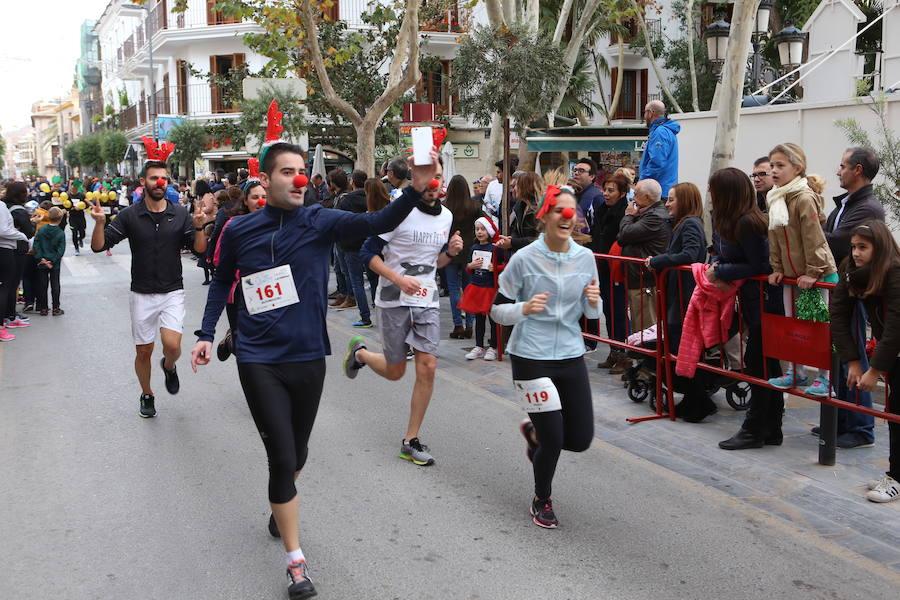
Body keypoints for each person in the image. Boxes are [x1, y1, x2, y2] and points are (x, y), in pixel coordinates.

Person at [191, 143, 439, 600]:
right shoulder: (240, 228)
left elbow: (375, 223)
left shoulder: (319, 219)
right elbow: (223, 279)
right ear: (265, 180)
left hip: (307, 356)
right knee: (282, 457)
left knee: (298, 453)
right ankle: (296, 562)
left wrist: (414, 189)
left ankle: (280, 499)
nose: (299, 179)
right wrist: (206, 333)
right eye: (288, 172)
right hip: (258, 356)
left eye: (303, 171)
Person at [490, 185, 600, 528]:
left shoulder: (586, 258)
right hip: (530, 356)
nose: (566, 216)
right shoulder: (524, 259)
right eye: (558, 210)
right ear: (545, 216)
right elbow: (496, 310)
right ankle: (542, 498)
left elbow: (594, 317)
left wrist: (594, 302)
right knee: (554, 438)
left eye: (571, 210)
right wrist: (523, 308)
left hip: (569, 352)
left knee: (579, 439)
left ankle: (534, 434)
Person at [343, 158, 463, 467]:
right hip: (394, 296)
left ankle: (410, 440)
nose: (435, 182)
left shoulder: (446, 216)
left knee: (428, 367)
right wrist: (398, 279)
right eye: (430, 177)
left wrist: (450, 253)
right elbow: (367, 253)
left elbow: (433, 263)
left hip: (427, 298)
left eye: (440, 177)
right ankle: (361, 355)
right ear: (418, 180)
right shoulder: (398, 211)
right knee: (396, 371)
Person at [91, 158, 208, 418]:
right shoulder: (130, 215)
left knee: (172, 346)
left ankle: (169, 366)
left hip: (172, 292)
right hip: (141, 293)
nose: (160, 182)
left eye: (163, 178)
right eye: (154, 178)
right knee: (143, 351)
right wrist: (99, 223)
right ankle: (147, 393)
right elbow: (99, 246)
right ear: (143, 182)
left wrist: (199, 225)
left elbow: (199, 249)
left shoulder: (179, 213)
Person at [711, 168, 786, 450]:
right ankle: (769, 428)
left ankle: (755, 428)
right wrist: (719, 264)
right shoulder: (735, 220)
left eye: (714, 189)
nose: (710, 194)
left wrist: (722, 270)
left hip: (765, 304)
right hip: (756, 303)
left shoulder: (747, 222)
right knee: (766, 366)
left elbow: (760, 266)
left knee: (760, 367)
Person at [816, 147, 885, 448]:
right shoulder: (846, 205)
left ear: (857, 170)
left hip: (856, 293)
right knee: (841, 356)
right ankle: (842, 419)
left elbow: (835, 243)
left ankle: (860, 427)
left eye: (842, 165)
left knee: (853, 356)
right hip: (844, 290)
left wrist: (810, 228)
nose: (837, 171)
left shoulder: (867, 207)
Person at [830, 221, 900, 503]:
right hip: (893, 353)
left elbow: (896, 324)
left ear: (878, 247)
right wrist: (853, 363)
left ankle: (896, 478)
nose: (856, 252)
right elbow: (838, 316)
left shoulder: (894, 272)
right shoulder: (852, 271)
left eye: (863, 247)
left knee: (897, 414)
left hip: (894, 349)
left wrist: (875, 369)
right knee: (895, 414)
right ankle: (896, 473)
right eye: (854, 246)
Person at [765, 143, 837, 397]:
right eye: (772, 165)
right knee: (792, 326)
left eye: (780, 165)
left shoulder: (803, 198)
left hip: (815, 276)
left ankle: (825, 378)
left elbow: (813, 237)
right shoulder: (775, 195)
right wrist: (777, 268)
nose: (774, 170)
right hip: (792, 277)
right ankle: (796, 372)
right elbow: (774, 235)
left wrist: (814, 271)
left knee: (819, 327)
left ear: (797, 169)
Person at [646, 182, 709, 420]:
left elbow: (691, 255)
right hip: (678, 295)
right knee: (679, 347)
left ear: (684, 201)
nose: (667, 203)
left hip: (683, 297)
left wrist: (659, 260)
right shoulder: (683, 223)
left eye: (671, 199)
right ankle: (695, 399)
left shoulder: (690, 223)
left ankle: (698, 401)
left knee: (683, 348)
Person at [617, 178, 672, 335]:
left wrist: (628, 216)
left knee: (646, 330)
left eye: (636, 194)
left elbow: (624, 236)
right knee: (640, 325)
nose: (633, 198)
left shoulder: (655, 216)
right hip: (640, 278)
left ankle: (647, 359)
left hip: (645, 281)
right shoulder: (649, 213)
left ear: (647, 197)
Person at [592, 174, 630, 373]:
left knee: (619, 313)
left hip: (617, 269)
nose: (606, 194)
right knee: (609, 311)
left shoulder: (625, 212)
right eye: (605, 190)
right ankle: (614, 351)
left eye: (611, 190)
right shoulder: (601, 209)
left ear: (622, 193)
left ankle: (625, 354)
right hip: (603, 267)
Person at [461, 216, 505, 360]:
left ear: (490, 231)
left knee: (493, 319)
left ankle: (493, 346)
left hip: (490, 288)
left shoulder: (495, 248)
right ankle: (479, 345)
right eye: (477, 229)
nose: (479, 232)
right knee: (478, 318)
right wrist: (470, 266)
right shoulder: (473, 248)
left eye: (483, 229)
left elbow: (505, 264)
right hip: (476, 287)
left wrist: (496, 268)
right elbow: (468, 268)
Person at [443, 174, 480, 339]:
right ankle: (470, 325)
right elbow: (485, 223)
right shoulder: (474, 206)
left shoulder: (444, 207)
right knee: (469, 289)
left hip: (451, 253)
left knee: (453, 289)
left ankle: (458, 325)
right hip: (469, 253)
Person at [336, 169, 373, 327]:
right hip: (370, 244)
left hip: (351, 246)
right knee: (374, 278)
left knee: (356, 281)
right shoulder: (371, 198)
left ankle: (365, 317)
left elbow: (339, 222)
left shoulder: (346, 201)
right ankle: (378, 307)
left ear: (352, 182)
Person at [2, 182, 34, 330]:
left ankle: (9, 315)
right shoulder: (19, 210)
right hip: (15, 248)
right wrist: (24, 232)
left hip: (8, 248)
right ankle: (9, 316)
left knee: (8, 285)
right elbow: (29, 231)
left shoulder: (5, 205)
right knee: (11, 285)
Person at [638, 100, 680, 198]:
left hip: (657, 191)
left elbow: (657, 162)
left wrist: (642, 181)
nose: (644, 116)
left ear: (651, 113)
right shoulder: (666, 130)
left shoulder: (659, 132)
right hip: (664, 188)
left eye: (645, 112)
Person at [0, 199, 28, 342]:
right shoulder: (0, 206)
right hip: (4, 249)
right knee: (5, 287)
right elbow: (3, 230)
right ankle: (1, 327)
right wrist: (21, 236)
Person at [33, 206, 67, 316]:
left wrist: (40, 258)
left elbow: (36, 245)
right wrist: (52, 261)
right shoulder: (60, 233)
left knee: (42, 285)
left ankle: (43, 308)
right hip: (54, 264)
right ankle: (56, 308)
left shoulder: (41, 230)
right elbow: (61, 250)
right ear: (60, 219)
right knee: (55, 285)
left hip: (41, 262)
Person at [364, 177, 390, 304]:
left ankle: (377, 302)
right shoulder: (390, 208)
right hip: (387, 253)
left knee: (375, 281)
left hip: (376, 252)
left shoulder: (371, 214)